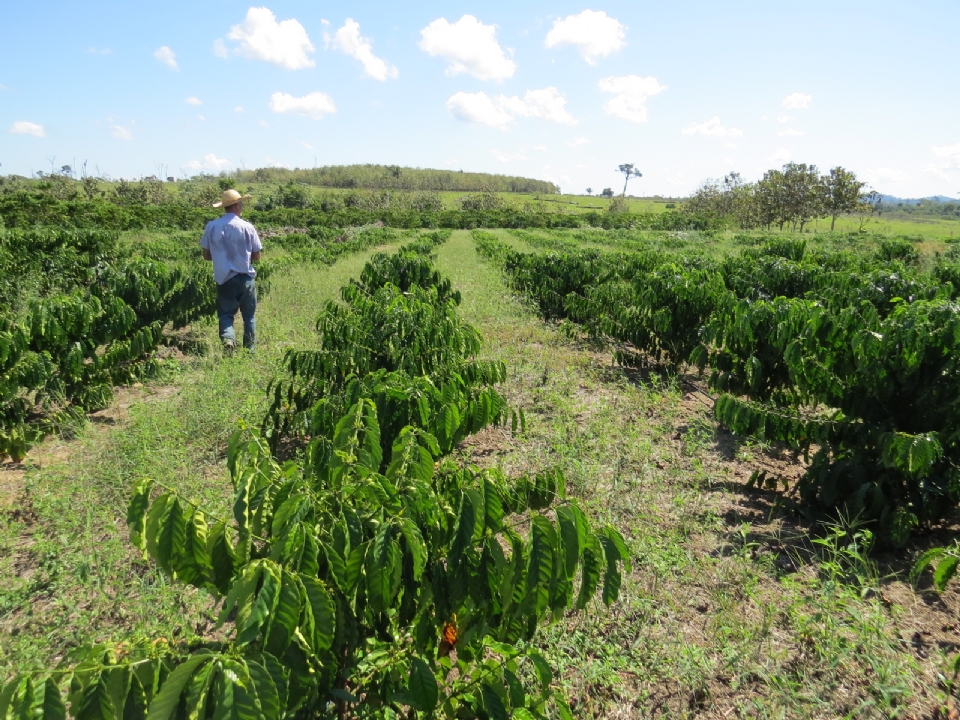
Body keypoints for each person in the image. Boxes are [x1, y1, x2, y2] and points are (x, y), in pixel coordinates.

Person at [200, 189, 263, 353]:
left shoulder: (212, 226)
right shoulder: (247, 227)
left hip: (224, 279)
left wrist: (223, 259)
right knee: (249, 316)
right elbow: (256, 256)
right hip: (245, 278)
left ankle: (228, 339)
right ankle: (250, 350)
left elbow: (206, 255)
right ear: (237, 205)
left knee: (226, 314)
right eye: (241, 204)